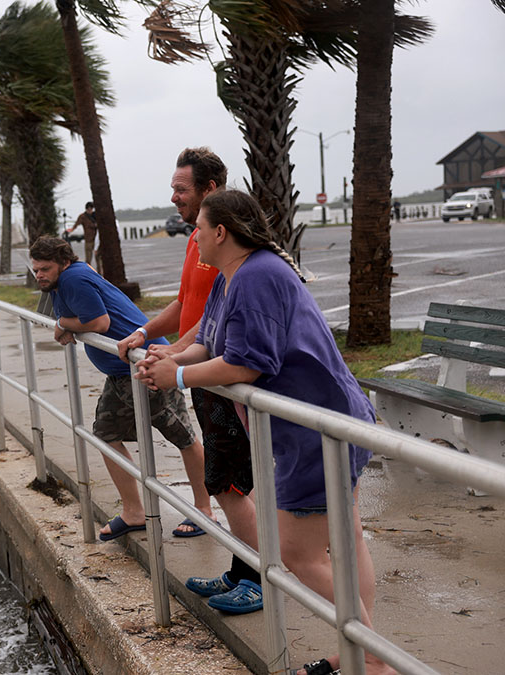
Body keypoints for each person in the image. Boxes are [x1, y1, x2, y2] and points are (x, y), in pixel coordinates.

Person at [137, 190, 384, 675]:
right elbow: (211, 341)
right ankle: (358, 650)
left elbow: (247, 364)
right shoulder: (234, 275)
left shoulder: (258, 276)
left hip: (317, 429)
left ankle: (374, 660)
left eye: (199, 229)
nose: (194, 238)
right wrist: (173, 357)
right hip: (323, 424)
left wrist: (179, 377)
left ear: (221, 232)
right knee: (346, 541)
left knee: (297, 552)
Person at [116, 147, 265, 614]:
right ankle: (241, 570)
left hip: (221, 375)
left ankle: (257, 578)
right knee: (227, 480)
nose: (174, 197)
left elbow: (223, 322)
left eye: (181, 189)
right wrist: (149, 336)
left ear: (210, 190)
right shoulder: (198, 241)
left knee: (230, 482)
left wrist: (178, 364)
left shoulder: (228, 249)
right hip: (203, 372)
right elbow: (190, 307)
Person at [29, 236, 214, 542]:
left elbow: (99, 323)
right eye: (36, 269)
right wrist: (66, 324)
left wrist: (64, 324)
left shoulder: (73, 278)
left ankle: (204, 510)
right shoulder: (66, 278)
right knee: (106, 434)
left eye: (45, 269)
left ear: (63, 263)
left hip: (146, 366)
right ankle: (134, 512)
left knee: (183, 436)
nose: (39, 275)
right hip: (120, 373)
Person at [65, 202, 97, 270]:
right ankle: (88, 271)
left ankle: (101, 273)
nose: (90, 210)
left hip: (97, 239)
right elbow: (76, 224)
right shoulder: (83, 216)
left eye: (91, 209)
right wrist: (71, 230)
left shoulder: (96, 215)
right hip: (88, 239)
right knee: (88, 258)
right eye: (88, 209)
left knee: (99, 258)